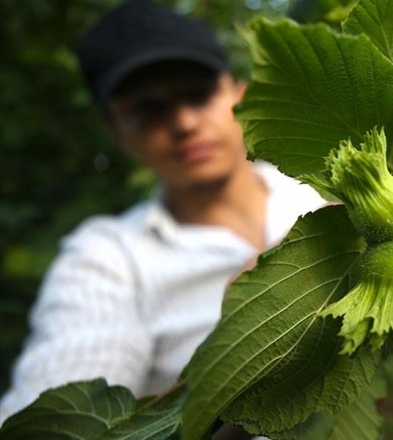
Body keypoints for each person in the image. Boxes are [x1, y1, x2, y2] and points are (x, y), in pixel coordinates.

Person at [0, 0, 325, 423]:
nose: (184, 122)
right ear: (114, 130)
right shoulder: (107, 261)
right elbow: (59, 423)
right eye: (147, 109)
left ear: (239, 92)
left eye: (198, 93)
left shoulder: (321, 189)